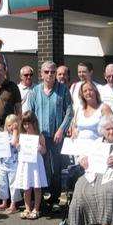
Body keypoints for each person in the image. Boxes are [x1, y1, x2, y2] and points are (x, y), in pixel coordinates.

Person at [26, 61, 73, 210]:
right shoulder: (34, 91)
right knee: (40, 167)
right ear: (41, 74)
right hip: (39, 136)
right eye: (46, 72)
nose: (50, 74)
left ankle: (55, 197)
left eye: (52, 72)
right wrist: (33, 133)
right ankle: (42, 198)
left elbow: (70, 112)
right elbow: (30, 115)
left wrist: (61, 130)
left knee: (55, 168)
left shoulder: (63, 90)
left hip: (56, 136)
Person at [14, 111, 48, 220]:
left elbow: (44, 150)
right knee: (26, 187)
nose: (27, 126)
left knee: (37, 187)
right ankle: (27, 208)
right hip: (25, 163)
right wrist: (15, 134)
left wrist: (40, 148)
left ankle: (36, 209)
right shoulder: (22, 136)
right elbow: (16, 145)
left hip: (36, 164)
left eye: (29, 123)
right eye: (24, 124)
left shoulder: (39, 136)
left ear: (34, 123)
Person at [0, 114, 22, 214]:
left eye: (13, 125)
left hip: (13, 164)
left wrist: (15, 130)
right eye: (8, 125)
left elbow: (14, 142)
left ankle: (13, 204)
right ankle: (4, 202)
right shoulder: (3, 135)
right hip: (3, 163)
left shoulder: (18, 136)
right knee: (2, 184)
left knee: (13, 185)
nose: (11, 127)